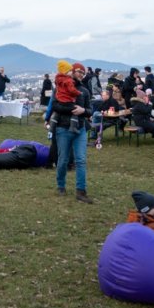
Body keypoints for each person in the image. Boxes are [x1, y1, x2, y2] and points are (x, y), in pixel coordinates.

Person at [53, 62, 93, 204]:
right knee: (63, 160)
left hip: (80, 129)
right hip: (63, 128)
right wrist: (71, 109)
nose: (81, 74)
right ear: (72, 71)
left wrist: (83, 111)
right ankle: (61, 185)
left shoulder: (85, 91)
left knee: (81, 160)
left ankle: (81, 191)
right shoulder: (60, 86)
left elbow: (90, 110)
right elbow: (55, 106)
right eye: (79, 71)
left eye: (83, 73)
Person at [53, 61, 82, 134]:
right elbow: (72, 90)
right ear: (65, 72)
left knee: (57, 113)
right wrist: (78, 93)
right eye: (70, 71)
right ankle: (73, 127)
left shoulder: (58, 79)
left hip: (60, 99)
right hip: (67, 100)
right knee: (75, 111)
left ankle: (52, 126)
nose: (72, 72)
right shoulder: (68, 80)